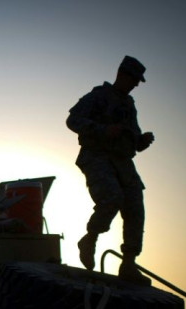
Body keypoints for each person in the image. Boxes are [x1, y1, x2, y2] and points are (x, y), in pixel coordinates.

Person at [66, 55, 155, 285]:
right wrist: (101, 129)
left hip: (122, 161)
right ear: (122, 74)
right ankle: (90, 238)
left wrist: (141, 141)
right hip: (97, 156)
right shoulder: (98, 96)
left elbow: (132, 136)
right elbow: (73, 120)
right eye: (134, 79)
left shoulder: (129, 105)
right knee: (112, 197)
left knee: (135, 206)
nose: (136, 84)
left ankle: (128, 264)